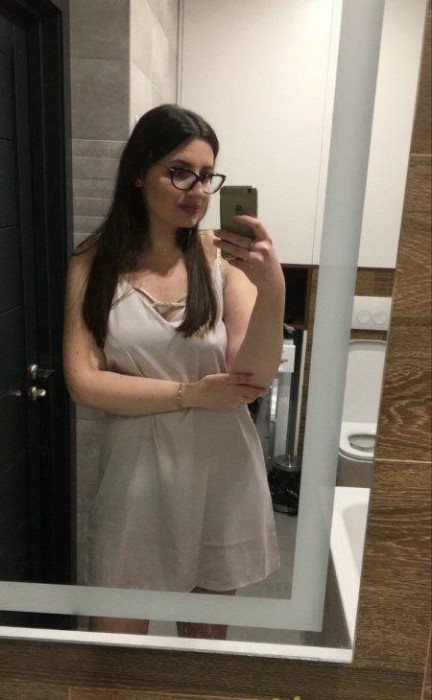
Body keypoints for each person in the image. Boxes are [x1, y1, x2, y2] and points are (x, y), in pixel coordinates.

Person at [63, 104, 286, 639]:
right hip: (136, 472)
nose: (198, 190)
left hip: (219, 467)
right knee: (116, 638)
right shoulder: (92, 262)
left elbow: (251, 375)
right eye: (180, 172)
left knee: (204, 644)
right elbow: (83, 380)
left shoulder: (221, 260)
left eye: (207, 175)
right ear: (138, 174)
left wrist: (272, 287)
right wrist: (191, 393)